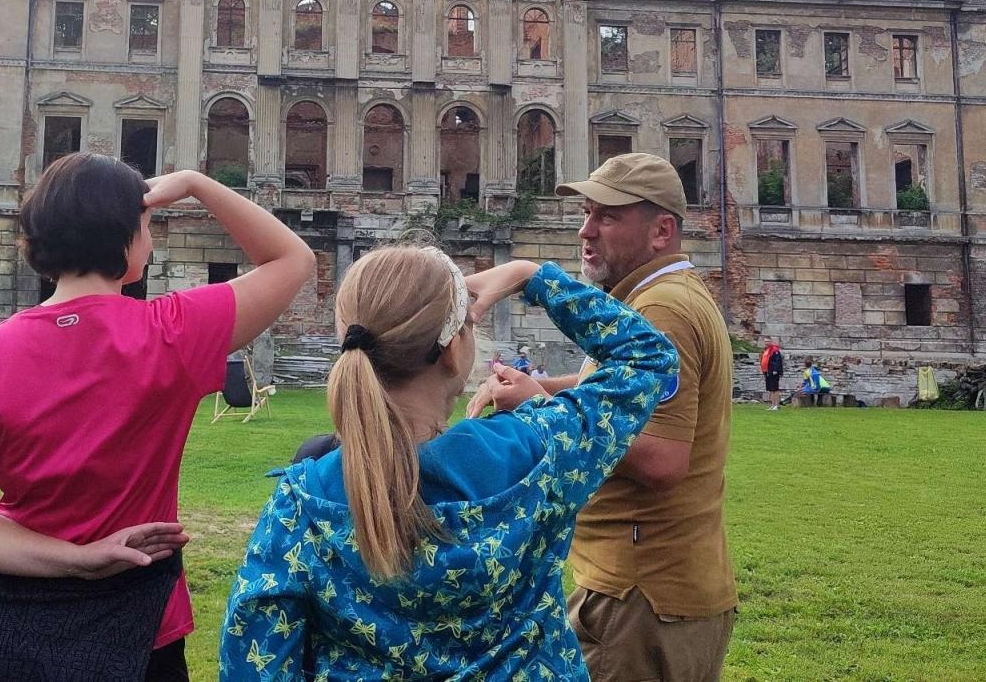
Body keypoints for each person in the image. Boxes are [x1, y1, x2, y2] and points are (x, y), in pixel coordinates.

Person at [0, 153, 314, 682]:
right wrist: (197, 183)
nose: (150, 242)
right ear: (126, 236)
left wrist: (72, 557)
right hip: (135, 626)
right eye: (147, 226)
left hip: (1, 627)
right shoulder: (171, 332)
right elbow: (292, 259)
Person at [220, 247, 677, 679]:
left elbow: (253, 661)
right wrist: (532, 277)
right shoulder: (538, 450)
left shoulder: (302, 504)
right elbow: (647, 357)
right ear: (454, 348)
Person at [471, 152, 737, 681]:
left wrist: (542, 409)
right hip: (637, 588)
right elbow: (620, 397)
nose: (585, 232)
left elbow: (664, 459)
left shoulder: (661, 310)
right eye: (587, 214)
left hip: (642, 596)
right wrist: (546, 385)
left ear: (662, 231)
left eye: (607, 217)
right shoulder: (652, 297)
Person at [761, 339, 785, 410]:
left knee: (775, 388)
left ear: (771, 342)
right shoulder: (766, 350)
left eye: (767, 341)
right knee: (771, 389)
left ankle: (776, 405)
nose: (766, 342)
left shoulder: (774, 350)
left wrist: (776, 370)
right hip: (767, 371)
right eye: (765, 341)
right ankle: (772, 404)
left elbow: (777, 361)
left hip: (773, 372)